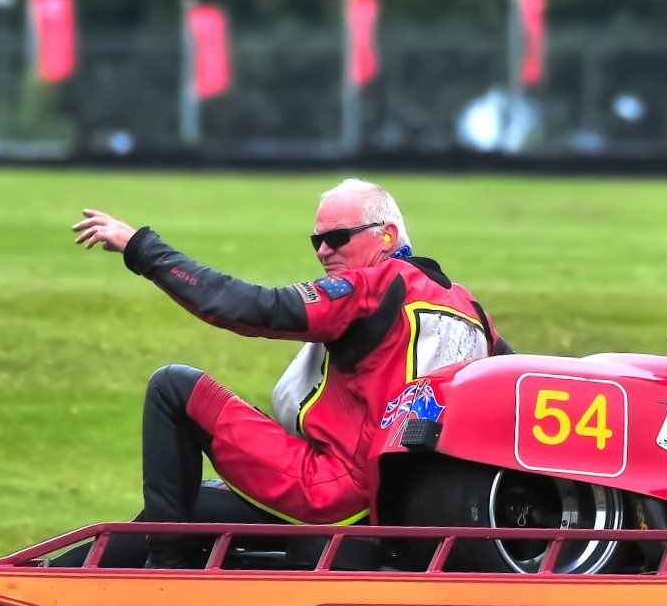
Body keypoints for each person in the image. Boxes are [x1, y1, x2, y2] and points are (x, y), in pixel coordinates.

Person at [70, 178, 503, 567]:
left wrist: (140, 248)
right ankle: (59, 575)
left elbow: (247, 307)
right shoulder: (472, 310)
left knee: (174, 386)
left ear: (387, 235)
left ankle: (162, 574)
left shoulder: (372, 287)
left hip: (334, 494)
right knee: (196, 497)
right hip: (402, 504)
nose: (322, 251)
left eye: (336, 237)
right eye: (316, 240)